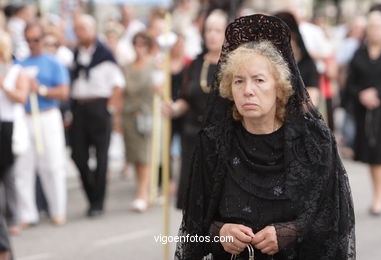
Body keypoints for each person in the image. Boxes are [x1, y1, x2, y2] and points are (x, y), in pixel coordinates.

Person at [175, 14, 355, 259]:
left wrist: (291, 231)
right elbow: (195, 224)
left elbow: (334, 218)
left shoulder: (313, 143)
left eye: (259, 80)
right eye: (239, 81)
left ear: (279, 88)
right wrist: (220, 231)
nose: (248, 90)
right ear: (229, 88)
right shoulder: (213, 143)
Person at [163, 9, 228, 209]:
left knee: (218, 202)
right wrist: (173, 109)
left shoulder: (234, 64)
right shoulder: (195, 64)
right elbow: (186, 100)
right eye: (208, 30)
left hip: (223, 138)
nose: (212, 35)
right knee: (192, 200)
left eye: (217, 30)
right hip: (193, 137)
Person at [14, 22, 69, 227]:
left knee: (52, 165)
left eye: (35, 40)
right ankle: (28, 213)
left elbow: (64, 92)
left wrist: (42, 90)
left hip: (47, 115)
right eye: (28, 40)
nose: (32, 44)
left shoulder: (53, 63)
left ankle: (57, 210)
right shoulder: (20, 64)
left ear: (42, 39)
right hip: (25, 117)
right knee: (23, 167)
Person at [70, 14, 125, 217]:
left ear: (93, 30)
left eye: (82, 29)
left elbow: (118, 84)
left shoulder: (104, 54)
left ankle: (97, 202)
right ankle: (91, 192)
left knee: (101, 156)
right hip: (79, 107)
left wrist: (110, 109)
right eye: (76, 30)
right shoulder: (76, 54)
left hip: (99, 107)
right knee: (78, 155)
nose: (79, 33)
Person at [345, 11, 381, 216]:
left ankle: (379, 198)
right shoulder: (359, 52)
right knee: (371, 154)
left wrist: (378, 93)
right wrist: (362, 95)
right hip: (364, 111)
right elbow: (350, 84)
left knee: (379, 152)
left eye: (380, 27)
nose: (375, 31)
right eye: (372, 27)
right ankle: (377, 194)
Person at [121, 32, 155, 212]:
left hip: (146, 114)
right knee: (134, 156)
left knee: (144, 156)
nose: (139, 48)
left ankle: (142, 193)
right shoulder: (127, 66)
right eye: (136, 44)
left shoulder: (154, 65)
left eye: (143, 44)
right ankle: (143, 191)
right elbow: (121, 92)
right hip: (128, 115)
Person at [0, 31, 29, 235]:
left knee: (8, 176)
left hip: (8, 127)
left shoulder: (16, 70)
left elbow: (21, 97)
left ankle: (14, 217)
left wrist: (4, 87)